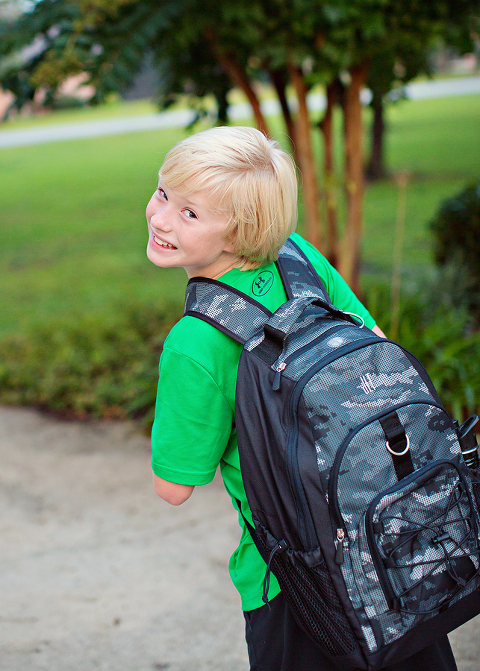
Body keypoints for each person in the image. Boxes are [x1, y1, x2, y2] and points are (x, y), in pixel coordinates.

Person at [146, 126, 457, 671]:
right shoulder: (299, 258)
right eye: (163, 192)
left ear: (239, 233)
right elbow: (377, 347)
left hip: (294, 584)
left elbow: (174, 487)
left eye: (189, 213)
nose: (161, 218)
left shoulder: (195, 342)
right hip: (387, 543)